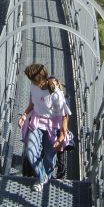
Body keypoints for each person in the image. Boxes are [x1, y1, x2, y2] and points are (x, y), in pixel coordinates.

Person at [18, 64, 71, 192]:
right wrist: (24, 115)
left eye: (32, 80)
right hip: (36, 122)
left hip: (52, 126)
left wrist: (62, 136)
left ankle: (44, 177)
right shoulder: (34, 85)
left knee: (49, 157)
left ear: (39, 80)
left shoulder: (55, 94)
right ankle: (42, 178)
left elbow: (65, 114)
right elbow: (34, 102)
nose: (31, 83)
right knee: (30, 152)